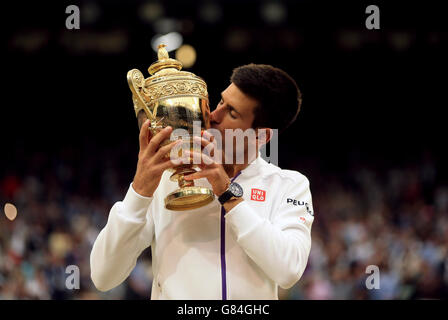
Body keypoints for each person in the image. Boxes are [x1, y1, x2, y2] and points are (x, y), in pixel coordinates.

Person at [90, 64, 314, 299]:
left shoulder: (289, 185)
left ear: (262, 135)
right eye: (220, 102)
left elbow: (289, 270)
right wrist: (138, 192)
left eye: (232, 113)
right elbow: (103, 276)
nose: (213, 116)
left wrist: (227, 194)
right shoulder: (169, 177)